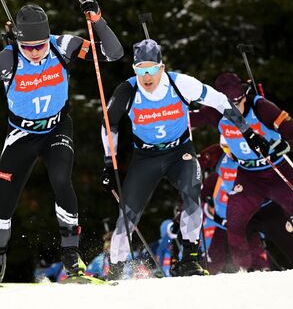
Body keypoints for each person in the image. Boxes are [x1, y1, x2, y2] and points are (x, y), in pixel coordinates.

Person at [0, 0, 124, 287]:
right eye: (28, 47)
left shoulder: (64, 46)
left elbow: (113, 54)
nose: (34, 53)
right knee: (4, 200)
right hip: (21, 134)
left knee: (62, 180)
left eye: (40, 45)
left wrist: (97, 19)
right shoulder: (8, 57)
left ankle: (72, 259)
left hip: (57, 129)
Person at [99, 39, 268, 277]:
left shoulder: (181, 84)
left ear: (161, 67)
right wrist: (109, 162)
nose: (146, 77)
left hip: (180, 152)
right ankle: (115, 269)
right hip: (145, 156)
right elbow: (110, 124)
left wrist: (248, 132)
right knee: (128, 213)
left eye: (151, 69)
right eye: (140, 70)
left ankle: (189, 259)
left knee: (192, 195)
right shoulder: (127, 91)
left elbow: (220, 101)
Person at [190, 72, 293, 270]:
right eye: (228, 105)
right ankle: (245, 273)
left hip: (277, 171)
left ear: (244, 95)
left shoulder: (261, 107)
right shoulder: (215, 111)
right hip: (249, 176)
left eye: (238, 102)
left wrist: (286, 145)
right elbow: (186, 119)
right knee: (234, 225)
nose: (234, 110)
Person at [198, 142, 293, 273]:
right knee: (238, 259)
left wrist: (292, 213)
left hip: (269, 211)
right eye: (227, 149)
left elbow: (281, 186)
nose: (232, 153)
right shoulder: (221, 164)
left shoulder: (257, 156)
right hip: (245, 216)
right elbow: (203, 159)